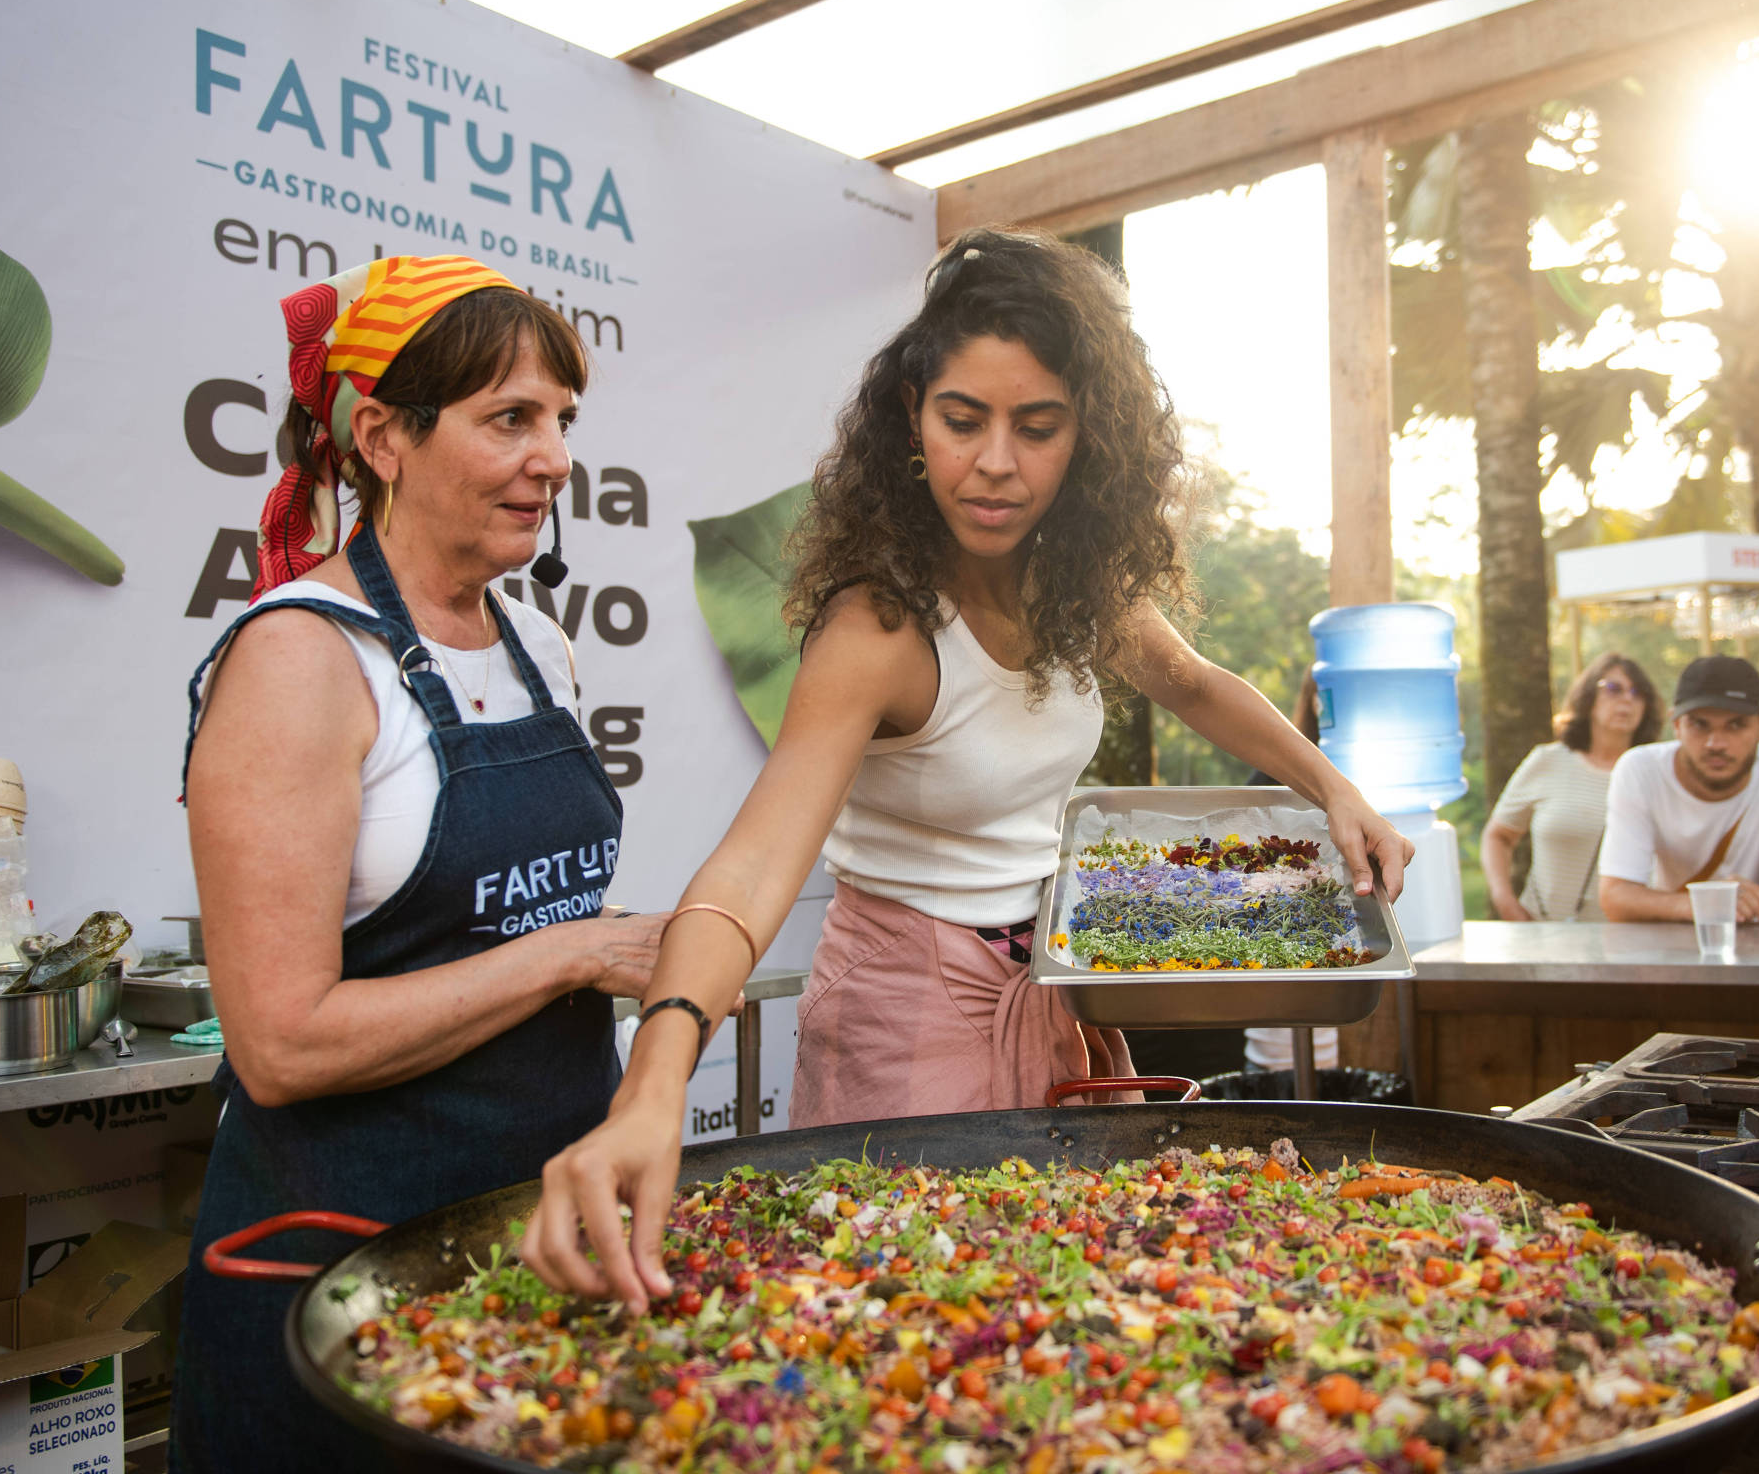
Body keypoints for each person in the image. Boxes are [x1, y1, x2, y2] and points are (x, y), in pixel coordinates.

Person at [515, 227, 1415, 1310]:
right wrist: (655, 1082)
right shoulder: (880, 626)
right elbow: (754, 866)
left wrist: (1337, 790)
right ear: (912, 418)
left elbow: (1191, 677)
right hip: (907, 1007)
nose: (996, 463)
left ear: (1088, 440)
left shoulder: (1071, 580)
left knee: (1053, 1302)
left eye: (1037, 427)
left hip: (1044, 984)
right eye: (963, 420)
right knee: (916, 1308)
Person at [170, 257, 671, 1472]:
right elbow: (281, 1042)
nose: (553, 457)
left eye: (560, 420)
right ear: (385, 437)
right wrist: (580, 950)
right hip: (340, 1272)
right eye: (511, 418)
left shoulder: (538, 641)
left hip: (532, 1239)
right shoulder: (300, 658)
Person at [1596, 654, 1759, 923]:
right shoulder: (1639, 769)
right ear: (1676, 725)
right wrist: (1706, 903)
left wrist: (1694, 906)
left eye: (1735, 725)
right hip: (1677, 947)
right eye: (1699, 724)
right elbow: (1616, 898)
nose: (1716, 743)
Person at [1483, 653, 1661, 921]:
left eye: (1638, 693)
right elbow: (1498, 836)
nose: (1627, 699)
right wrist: (1504, 900)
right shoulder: (1548, 760)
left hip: (1630, 942)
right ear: (1588, 696)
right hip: (1542, 935)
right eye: (1613, 689)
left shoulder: (1655, 773)